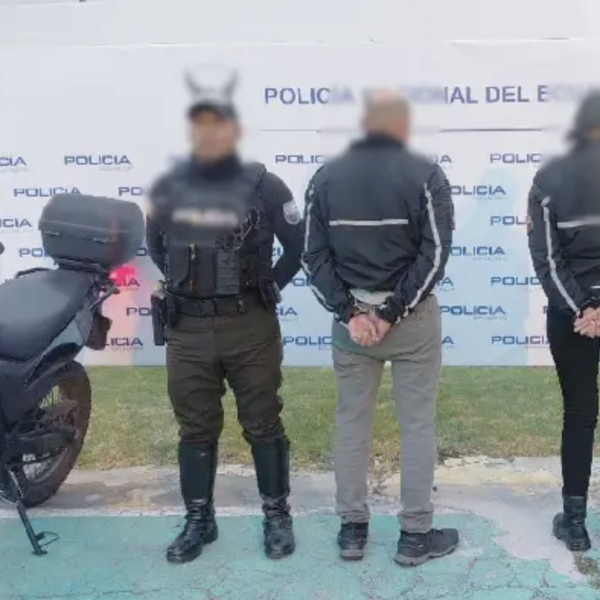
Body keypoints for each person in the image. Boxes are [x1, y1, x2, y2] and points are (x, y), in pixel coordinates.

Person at [146, 71, 303, 564]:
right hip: (188, 329)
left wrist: (266, 286)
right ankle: (200, 519)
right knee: (194, 428)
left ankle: (276, 515)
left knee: (263, 422)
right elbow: (157, 247)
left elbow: (296, 247)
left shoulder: (265, 186)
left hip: (249, 325)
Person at [302, 90, 458, 566]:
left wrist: (352, 313)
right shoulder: (426, 174)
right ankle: (415, 536)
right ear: (402, 127)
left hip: (356, 325)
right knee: (416, 426)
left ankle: (352, 532)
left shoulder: (326, 177)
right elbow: (435, 255)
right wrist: (388, 313)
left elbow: (313, 257)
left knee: (352, 424)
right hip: (408, 321)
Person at [527, 89, 600, 553]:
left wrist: (583, 309)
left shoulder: (549, 178)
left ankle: (575, 523)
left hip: (572, 316)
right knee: (580, 412)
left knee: (580, 414)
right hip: (580, 314)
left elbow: (546, 260)